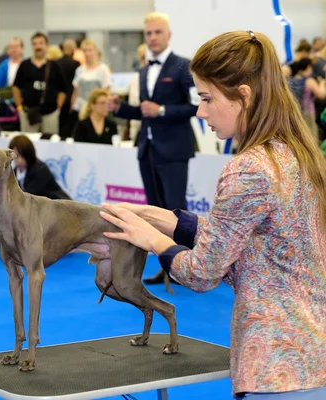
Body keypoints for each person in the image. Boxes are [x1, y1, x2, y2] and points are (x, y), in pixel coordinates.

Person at [100, 30, 326, 399]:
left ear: (244, 96)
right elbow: (259, 246)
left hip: (275, 365)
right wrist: (166, 219)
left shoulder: (247, 168)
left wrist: (153, 241)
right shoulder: (296, 153)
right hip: (313, 354)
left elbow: (203, 273)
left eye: (207, 99)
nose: (200, 112)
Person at [109, 12, 198, 286]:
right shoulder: (144, 69)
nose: (153, 37)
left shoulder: (184, 66)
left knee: (175, 213)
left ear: (168, 34)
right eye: (148, 33)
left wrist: (162, 110)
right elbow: (146, 113)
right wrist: (121, 109)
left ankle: (187, 268)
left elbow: (195, 107)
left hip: (174, 150)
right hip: (146, 150)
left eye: (157, 32)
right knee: (154, 213)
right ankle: (165, 267)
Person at [12, 32, 68, 136]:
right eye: (35, 44)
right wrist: (19, 107)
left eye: (41, 43)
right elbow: (16, 87)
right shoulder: (25, 65)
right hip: (28, 113)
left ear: (46, 45)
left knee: (51, 144)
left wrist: (58, 108)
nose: (38, 46)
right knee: (28, 144)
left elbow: (63, 90)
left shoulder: (55, 66)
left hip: (50, 113)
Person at [8, 134, 70, 200]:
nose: (19, 160)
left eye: (22, 156)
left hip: (60, 206)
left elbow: (27, 196)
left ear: (29, 153)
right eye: (16, 156)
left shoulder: (41, 169)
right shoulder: (14, 171)